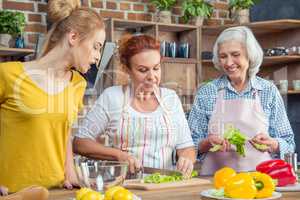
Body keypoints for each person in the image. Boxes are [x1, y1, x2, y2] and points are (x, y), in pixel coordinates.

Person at [0, 0, 105, 194]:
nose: (98, 56)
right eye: (96, 46)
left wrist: (70, 172)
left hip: (56, 191)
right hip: (12, 193)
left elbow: (64, 133)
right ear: (73, 37)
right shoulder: (7, 74)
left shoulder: (78, 84)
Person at [73, 35, 196, 176]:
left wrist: (186, 159)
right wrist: (118, 155)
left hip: (163, 186)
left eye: (156, 68)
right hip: (124, 186)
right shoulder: (112, 97)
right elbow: (79, 143)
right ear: (127, 69)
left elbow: (186, 147)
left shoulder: (170, 98)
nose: (152, 76)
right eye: (143, 70)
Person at [188, 26, 295, 175]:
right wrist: (206, 143)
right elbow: (188, 145)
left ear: (250, 55)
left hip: (260, 179)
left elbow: (289, 143)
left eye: (235, 54)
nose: (229, 62)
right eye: (223, 56)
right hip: (215, 180)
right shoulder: (207, 92)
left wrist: (273, 144)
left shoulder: (268, 90)